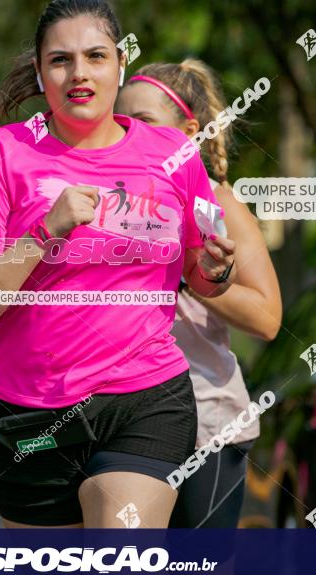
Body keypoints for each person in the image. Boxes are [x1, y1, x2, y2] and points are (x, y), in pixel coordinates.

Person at [0, 0, 236, 528]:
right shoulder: (1, 154)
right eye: (60, 60)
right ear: (40, 72)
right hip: (29, 406)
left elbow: (199, 272)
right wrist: (44, 232)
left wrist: (216, 270)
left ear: (120, 66)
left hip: (145, 394)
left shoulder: (173, 154)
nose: (79, 73)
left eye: (95, 56)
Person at [116, 59, 282, 528]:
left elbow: (267, 317)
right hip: (122, 420)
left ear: (188, 131)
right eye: (121, 122)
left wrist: (191, 273)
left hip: (205, 423)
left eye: (144, 121)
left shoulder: (217, 199)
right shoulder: (110, 196)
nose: (130, 133)